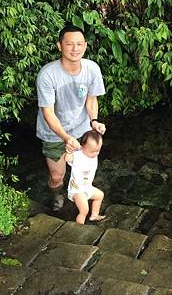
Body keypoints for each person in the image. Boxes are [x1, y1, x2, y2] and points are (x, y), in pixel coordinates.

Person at [36, 24, 106, 211]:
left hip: (82, 129)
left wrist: (94, 121)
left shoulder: (92, 69)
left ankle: (79, 193)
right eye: (69, 44)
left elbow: (91, 100)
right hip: (53, 133)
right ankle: (57, 195)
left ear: (85, 46)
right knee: (57, 176)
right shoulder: (47, 74)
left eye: (79, 44)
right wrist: (66, 138)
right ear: (60, 46)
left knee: (83, 170)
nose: (75, 49)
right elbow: (48, 112)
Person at [65, 131, 105, 224]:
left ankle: (94, 215)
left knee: (100, 195)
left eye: (97, 151)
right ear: (82, 147)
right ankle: (79, 227)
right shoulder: (77, 155)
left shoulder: (93, 154)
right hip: (77, 190)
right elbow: (67, 159)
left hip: (87, 187)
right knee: (84, 210)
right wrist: (69, 151)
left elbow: (95, 136)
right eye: (92, 151)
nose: (95, 154)